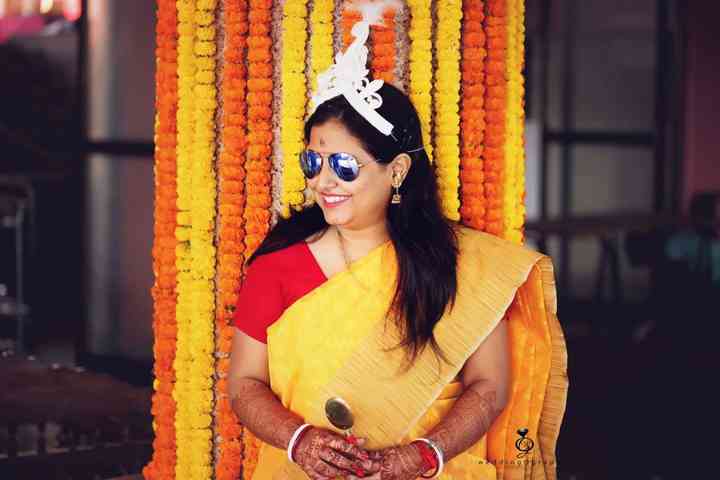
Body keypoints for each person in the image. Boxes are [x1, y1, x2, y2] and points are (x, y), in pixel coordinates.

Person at [229, 19, 567, 480]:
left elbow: (489, 386)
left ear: (398, 171)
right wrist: (300, 440)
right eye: (313, 161)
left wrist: (427, 454)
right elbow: (244, 385)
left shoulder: (460, 264)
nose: (322, 181)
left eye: (344, 165)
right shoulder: (277, 266)